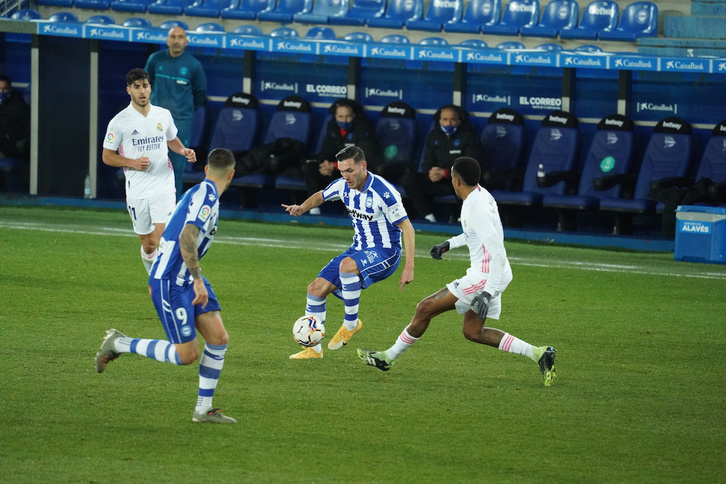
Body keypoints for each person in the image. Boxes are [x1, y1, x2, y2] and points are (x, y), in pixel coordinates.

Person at [358, 156, 557, 387]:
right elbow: (477, 233)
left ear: (456, 182)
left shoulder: (475, 208)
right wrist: (449, 244)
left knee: (424, 308)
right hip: (494, 273)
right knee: (473, 332)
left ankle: (387, 358)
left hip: (485, 276)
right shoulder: (481, 195)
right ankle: (539, 353)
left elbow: (497, 251)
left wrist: (487, 291)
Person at [95, 147, 238, 423]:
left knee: (218, 338)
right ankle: (119, 343)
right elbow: (186, 237)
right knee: (187, 355)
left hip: (184, 275)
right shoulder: (206, 196)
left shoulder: (198, 193)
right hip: (172, 280)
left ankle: (203, 410)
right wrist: (198, 281)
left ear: (207, 169)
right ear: (232, 174)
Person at [283, 146, 415, 359]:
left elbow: (407, 228)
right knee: (315, 288)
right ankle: (313, 350)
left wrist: (409, 267)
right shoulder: (342, 186)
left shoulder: (384, 192)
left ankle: (351, 324)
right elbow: (321, 195)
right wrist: (301, 208)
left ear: (363, 166)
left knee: (347, 266)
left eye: (350, 170)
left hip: (386, 252)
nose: (346, 176)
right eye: (342, 171)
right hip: (358, 250)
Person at [102, 68, 197, 274]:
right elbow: (107, 156)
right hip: (137, 189)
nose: (142, 91)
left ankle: (166, 282)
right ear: (129, 90)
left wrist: (183, 150)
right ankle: (152, 277)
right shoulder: (119, 122)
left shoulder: (163, 115)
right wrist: (132, 162)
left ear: (150, 87)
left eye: (145, 86)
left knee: (165, 239)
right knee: (149, 243)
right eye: (136, 87)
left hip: (163, 185)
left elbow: (171, 139)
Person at [145, 26, 207, 198]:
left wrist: (185, 110)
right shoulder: (155, 59)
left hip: (181, 121)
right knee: (150, 164)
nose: (176, 40)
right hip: (154, 121)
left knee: (176, 166)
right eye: (173, 36)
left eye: (180, 37)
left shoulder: (194, 65)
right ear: (167, 40)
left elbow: (201, 93)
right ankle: (148, 203)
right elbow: (145, 85)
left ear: (186, 41)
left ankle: (172, 209)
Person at [402, 105, 482, 224]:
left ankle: (463, 220)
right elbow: (426, 163)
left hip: (457, 182)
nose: (448, 123)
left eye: (452, 120)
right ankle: (428, 218)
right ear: (440, 121)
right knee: (409, 179)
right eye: (445, 120)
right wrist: (431, 172)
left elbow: (470, 166)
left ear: (459, 121)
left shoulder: (469, 136)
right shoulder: (434, 135)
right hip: (438, 182)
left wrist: (445, 173)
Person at [303, 99, 382, 215]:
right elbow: (326, 149)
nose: (344, 120)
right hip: (337, 172)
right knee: (310, 167)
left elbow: (362, 158)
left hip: (354, 173)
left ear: (354, 115)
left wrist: (335, 166)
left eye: (347, 117)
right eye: (340, 117)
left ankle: (353, 213)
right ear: (335, 116)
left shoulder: (364, 127)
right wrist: (325, 164)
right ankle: (314, 211)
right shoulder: (332, 126)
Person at [0, 74, 30, 160]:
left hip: (13, 149)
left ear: (10, 89)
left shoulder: (18, 105)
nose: (1, 92)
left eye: (5, 89)